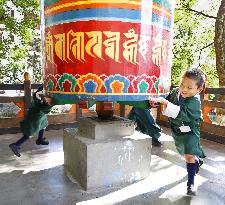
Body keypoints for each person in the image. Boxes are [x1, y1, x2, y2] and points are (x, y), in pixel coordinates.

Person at [149, 68, 206, 196]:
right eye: (182, 85)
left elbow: (182, 114)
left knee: (189, 154)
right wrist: (157, 102)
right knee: (186, 154)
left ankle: (190, 184)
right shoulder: (176, 92)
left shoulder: (195, 101)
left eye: (189, 87)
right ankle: (196, 160)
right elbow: (165, 100)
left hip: (191, 131)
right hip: (178, 131)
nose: (184, 89)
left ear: (199, 89)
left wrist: (165, 103)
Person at [9, 86, 54, 157]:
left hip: (40, 114)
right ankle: (15, 145)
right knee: (30, 133)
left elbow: (42, 89)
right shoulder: (40, 100)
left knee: (44, 124)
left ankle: (40, 139)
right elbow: (46, 108)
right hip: (35, 117)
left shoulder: (43, 90)